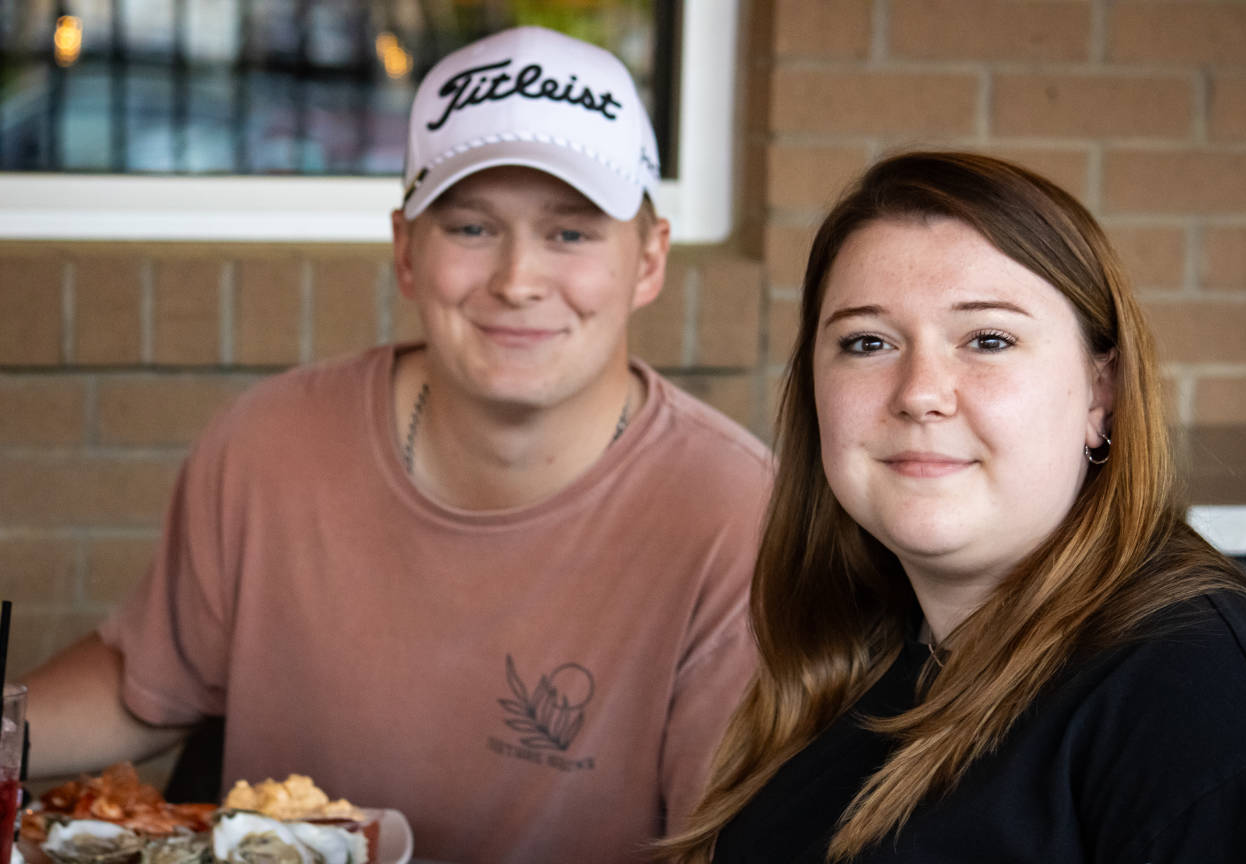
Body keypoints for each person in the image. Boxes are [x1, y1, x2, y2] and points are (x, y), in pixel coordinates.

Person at [22, 26, 771, 864]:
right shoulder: (270, 444)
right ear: (406, 252)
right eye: (471, 228)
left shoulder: (736, 519)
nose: (518, 279)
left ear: (648, 261)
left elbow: (723, 846)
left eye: (571, 233)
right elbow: (147, 685)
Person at [663, 151, 1246, 863]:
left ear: (1100, 392)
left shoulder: (1200, 704)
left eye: (988, 339)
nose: (919, 391)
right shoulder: (857, 648)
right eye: (867, 342)